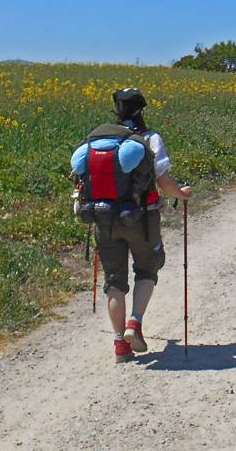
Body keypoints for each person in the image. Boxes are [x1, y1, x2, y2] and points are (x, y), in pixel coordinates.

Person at [70, 88, 192, 362]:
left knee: (114, 281)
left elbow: (79, 174)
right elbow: (164, 182)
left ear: (116, 111)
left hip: (103, 218)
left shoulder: (98, 140)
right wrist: (182, 195)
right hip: (142, 219)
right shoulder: (149, 139)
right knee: (147, 270)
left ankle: (119, 346)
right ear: (141, 110)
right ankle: (134, 324)